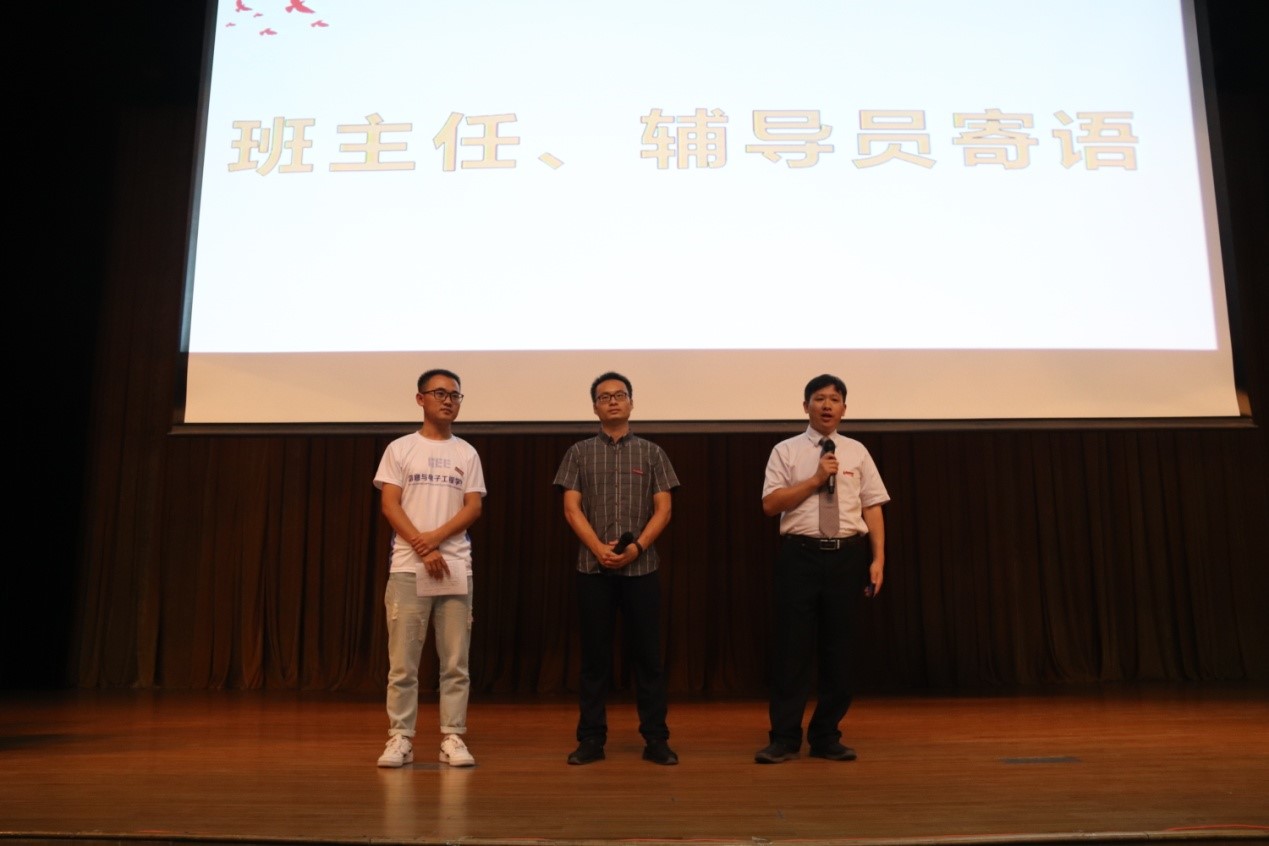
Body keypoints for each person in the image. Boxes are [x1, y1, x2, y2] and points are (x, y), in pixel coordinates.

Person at [755, 374, 889, 764]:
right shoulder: (786, 451)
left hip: (847, 557)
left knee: (840, 651)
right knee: (792, 651)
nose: (827, 405)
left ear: (844, 408)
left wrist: (878, 559)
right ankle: (784, 738)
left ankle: (827, 735)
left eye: (834, 399)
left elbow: (872, 506)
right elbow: (770, 505)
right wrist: (816, 479)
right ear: (805, 406)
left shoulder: (858, 452)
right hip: (800, 556)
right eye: (819, 398)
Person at [553, 372, 681, 766]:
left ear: (631, 403)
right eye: (604, 396)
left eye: (619, 395)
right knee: (594, 661)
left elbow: (664, 509)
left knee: (649, 659)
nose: (612, 401)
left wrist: (637, 547)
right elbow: (571, 508)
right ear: (594, 406)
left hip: (642, 570)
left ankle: (656, 739)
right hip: (593, 571)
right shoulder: (578, 453)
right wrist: (598, 549)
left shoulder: (652, 452)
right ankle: (591, 740)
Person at [373, 369, 487, 768]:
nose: (448, 400)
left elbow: (473, 507)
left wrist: (433, 540)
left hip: (454, 566)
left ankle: (452, 736)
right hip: (408, 568)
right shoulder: (400, 448)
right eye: (440, 393)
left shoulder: (466, 453)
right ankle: (400, 737)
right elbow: (390, 505)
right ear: (420, 399)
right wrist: (422, 547)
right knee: (403, 662)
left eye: (455, 395)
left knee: (455, 662)